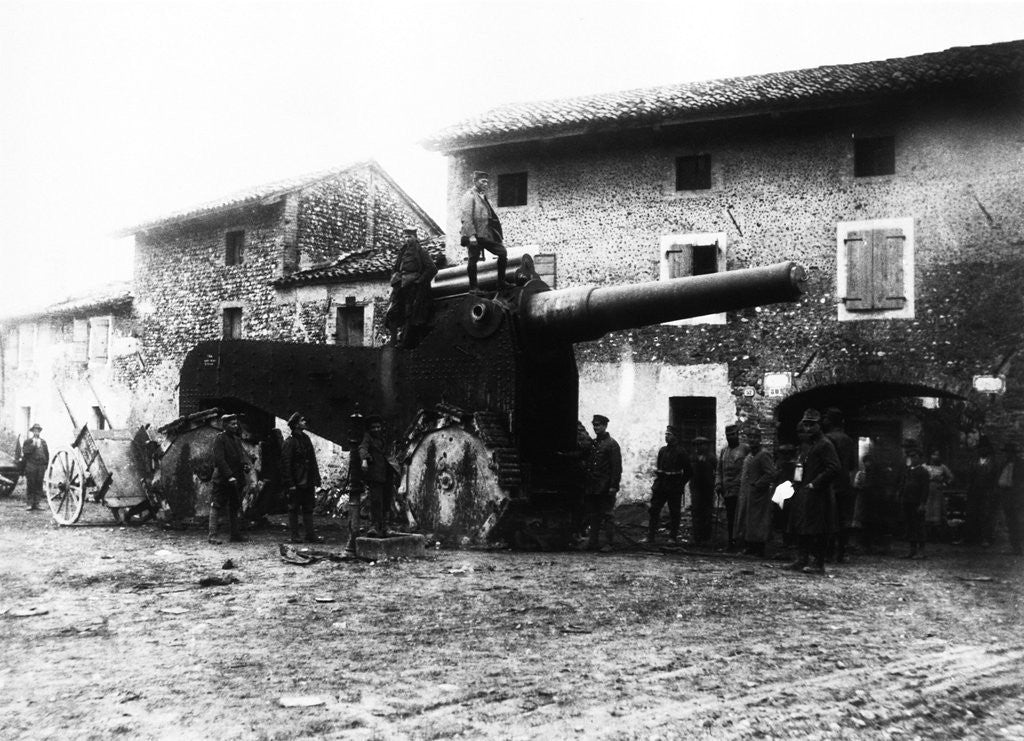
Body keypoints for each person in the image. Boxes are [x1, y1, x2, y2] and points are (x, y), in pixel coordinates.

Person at [785, 409, 840, 575]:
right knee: (803, 526)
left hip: (818, 494)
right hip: (805, 492)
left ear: (819, 425)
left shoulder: (825, 444)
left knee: (818, 529)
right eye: (806, 424)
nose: (808, 428)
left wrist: (815, 484)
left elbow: (834, 468)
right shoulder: (809, 445)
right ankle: (802, 559)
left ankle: (818, 562)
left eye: (812, 425)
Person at [386, 226, 438, 347]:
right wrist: (394, 277)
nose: (407, 239)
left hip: (414, 290)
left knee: (410, 314)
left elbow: (432, 269)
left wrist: (419, 281)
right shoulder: (402, 252)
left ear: (415, 237)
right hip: (400, 288)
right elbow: (395, 268)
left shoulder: (421, 252)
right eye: (405, 237)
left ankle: (405, 342)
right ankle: (392, 341)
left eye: (409, 237)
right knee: (392, 312)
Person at [459, 170, 509, 292]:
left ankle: (501, 282)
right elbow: (466, 217)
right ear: (475, 181)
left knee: (502, 253)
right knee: (473, 259)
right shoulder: (469, 196)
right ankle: (473, 287)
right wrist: (471, 236)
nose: (485, 184)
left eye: (487, 182)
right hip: (474, 235)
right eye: (482, 181)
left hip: (485, 235)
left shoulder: (483, 197)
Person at [281, 412, 324, 543]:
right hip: (296, 480)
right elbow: (286, 464)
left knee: (308, 507)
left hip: (307, 480)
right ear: (296, 425)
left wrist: (316, 478)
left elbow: (312, 460)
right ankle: (295, 536)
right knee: (293, 508)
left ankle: (310, 535)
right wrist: (290, 483)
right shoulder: (289, 442)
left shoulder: (306, 439)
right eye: (302, 421)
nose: (305, 423)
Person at [208, 414, 251, 544]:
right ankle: (212, 536)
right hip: (222, 479)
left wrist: (245, 465)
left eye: (236, 423)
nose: (235, 426)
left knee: (234, 506)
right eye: (232, 424)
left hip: (235, 478)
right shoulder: (219, 439)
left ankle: (235, 535)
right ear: (225, 425)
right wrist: (229, 476)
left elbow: (240, 457)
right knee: (216, 505)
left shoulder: (236, 440)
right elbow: (219, 460)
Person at [823, 408, 858, 563]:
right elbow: (852, 464)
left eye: (826, 418)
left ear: (830, 421)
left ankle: (828, 552)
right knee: (843, 519)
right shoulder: (848, 440)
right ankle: (841, 552)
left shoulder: (826, 439)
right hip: (844, 483)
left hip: (828, 483)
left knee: (827, 518)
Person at [647, 425, 693, 543]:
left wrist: (680, 484)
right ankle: (650, 536)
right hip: (661, 485)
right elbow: (659, 468)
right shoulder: (662, 451)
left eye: (669, 434)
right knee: (654, 510)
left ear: (675, 436)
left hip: (674, 486)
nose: (666, 436)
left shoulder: (681, 452)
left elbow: (689, 472)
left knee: (674, 512)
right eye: (665, 434)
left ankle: (672, 537)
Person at [584, 414, 621, 552]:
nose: (595, 428)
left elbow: (617, 468)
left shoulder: (612, 444)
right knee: (594, 514)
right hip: (594, 487)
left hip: (605, 487)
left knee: (607, 515)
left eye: (598, 425)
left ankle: (609, 543)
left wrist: (613, 486)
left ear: (605, 426)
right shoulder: (594, 444)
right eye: (594, 425)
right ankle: (593, 542)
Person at [739, 426, 777, 557]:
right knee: (750, 520)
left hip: (760, 495)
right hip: (750, 494)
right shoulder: (750, 455)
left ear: (760, 439)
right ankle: (751, 546)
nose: (753, 440)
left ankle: (759, 548)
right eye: (750, 437)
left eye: (755, 438)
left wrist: (758, 484)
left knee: (759, 521)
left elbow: (771, 473)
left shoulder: (763, 454)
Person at [715, 424, 749, 551]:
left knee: (739, 517)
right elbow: (719, 469)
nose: (730, 437)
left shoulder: (745, 449)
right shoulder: (724, 450)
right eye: (728, 435)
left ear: (738, 434)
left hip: (740, 489)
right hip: (727, 490)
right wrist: (718, 483)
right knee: (729, 517)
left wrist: (741, 483)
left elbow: (748, 468)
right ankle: (730, 543)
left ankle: (741, 543)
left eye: (733, 434)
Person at [359, 415, 393, 537]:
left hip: (387, 473)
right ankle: (374, 525)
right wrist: (364, 459)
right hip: (376, 474)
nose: (376, 429)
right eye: (373, 427)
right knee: (376, 501)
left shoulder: (384, 438)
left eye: (378, 427)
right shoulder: (368, 437)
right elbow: (362, 448)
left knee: (387, 500)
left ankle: (386, 526)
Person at [965, 437, 1000, 546]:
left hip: (988, 491)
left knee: (986, 514)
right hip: (974, 491)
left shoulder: (993, 462)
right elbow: (970, 476)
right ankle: (972, 538)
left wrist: (994, 490)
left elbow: (996, 478)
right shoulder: (974, 461)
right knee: (972, 513)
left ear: (988, 450)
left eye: (985, 448)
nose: (982, 450)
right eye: (980, 448)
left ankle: (986, 538)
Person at [898, 445, 930, 559]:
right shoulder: (907, 471)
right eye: (911, 457)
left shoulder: (923, 472)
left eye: (915, 457)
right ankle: (912, 549)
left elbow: (925, 489)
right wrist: (901, 496)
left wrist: (922, 503)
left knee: (919, 526)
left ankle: (921, 551)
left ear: (920, 458)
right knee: (909, 525)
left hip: (917, 502)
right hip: (907, 501)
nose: (912, 459)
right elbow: (902, 484)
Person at [995, 442, 1022, 555]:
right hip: (1006, 495)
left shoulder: (1020, 464)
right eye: (1006, 452)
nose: (1007, 455)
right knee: (1010, 521)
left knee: (1018, 521)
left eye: (1009, 452)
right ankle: (1014, 546)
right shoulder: (1004, 464)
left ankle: (1019, 547)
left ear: (1014, 453)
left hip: (1016, 496)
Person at [689, 436, 717, 546]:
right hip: (696, 488)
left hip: (708, 488)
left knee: (707, 512)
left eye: (701, 444)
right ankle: (697, 537)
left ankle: (706, 537)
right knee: (696, 511)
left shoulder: (711, 458)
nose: (699, 447)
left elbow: (716, 471)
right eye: (697, 445)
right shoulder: (693, 458)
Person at [923, 450, 954, 541]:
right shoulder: (924, 466)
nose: (935, 457)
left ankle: (936, 535)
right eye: (933, 454)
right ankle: (926, 534)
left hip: (937, 491)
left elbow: (951, 477)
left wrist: (945, 484)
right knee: (927, 510)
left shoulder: (942, 467)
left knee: (937, 511)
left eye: (937, 455)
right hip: (926, 490)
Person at [20, 423, 49, 511]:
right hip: (31, 465)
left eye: (38, 430)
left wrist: (45, 464)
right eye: (35, 430)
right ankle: (29, 504)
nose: (36, 432)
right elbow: (25, 452)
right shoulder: (28, 442)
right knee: (31, 484)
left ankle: (37, 503)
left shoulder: (43, 442)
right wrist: (33, 445)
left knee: (39, 484)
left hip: (41, 466)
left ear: (40, 431)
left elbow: (47, 454)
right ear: (33, 431)